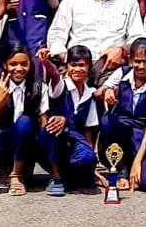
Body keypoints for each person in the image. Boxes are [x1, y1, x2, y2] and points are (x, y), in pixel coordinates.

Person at [0, 42, 56, 196]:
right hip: (4, 142)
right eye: (13, 64)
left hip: (27, 145)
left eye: (24, 64)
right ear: (4, 64)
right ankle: (5, 169)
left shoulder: (39, 87)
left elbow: (43, 123)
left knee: (25, 122)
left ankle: (17, 175)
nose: (19, 69)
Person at [99, 38, 146, 192]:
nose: (142, 66)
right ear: (130, 60)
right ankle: (121, 169)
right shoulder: (122, 74)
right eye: (138, 61)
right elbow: (97, 93)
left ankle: (136, 165)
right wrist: (106, 91)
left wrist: (137, 162)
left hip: (142, 135)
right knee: (107, 120)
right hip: (121, 133)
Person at [39, 45, 101, 196]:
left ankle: (70, 176)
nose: (77, 69)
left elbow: (88, 130)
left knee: (88, 158)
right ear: (67, 67)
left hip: (74, 144)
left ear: (89, 67)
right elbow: (54, 76)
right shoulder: (61, 86)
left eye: (82, 65)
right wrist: (47, 63)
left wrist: (92, 164)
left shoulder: (89, 94)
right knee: (53, 125)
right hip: (53, 141)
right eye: (73, 65)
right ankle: (56, 178)